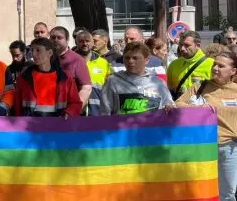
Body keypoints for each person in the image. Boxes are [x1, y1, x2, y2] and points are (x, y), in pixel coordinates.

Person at [175, 51, 237, 200]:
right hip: (202, 146)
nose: (215, 68)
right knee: (199, 189)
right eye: (214, 64)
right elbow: (178, 104)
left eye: (221, 66)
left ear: (233, 71)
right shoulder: (200, 86)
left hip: (230, 148)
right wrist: (198, 109)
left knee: (228, 192)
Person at [13, 38, 82, 117]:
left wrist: (69, 113)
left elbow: (75, 103)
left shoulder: (65, 77)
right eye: (32, 50)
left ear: (50, 53)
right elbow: (17, 106)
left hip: (57, 125)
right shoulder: (24, 76)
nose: (34, 54)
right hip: (30, 125)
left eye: (38, 50)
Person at [101, 42, 174, 115]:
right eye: (127, 58)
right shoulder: (113, 81)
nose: (130, 61)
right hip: (122, 125)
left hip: (152, 126)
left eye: (135, 58)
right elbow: (105, 112)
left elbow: (169, 107)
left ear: (146, 60)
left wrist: (170, 107)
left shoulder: (158, 83)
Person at [49, 26, 93, 107]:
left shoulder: (77, 60)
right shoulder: (47, 59)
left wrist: (75, 109)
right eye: (52, 37)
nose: (55, 40)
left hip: (69, 113)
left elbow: (86, 88)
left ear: (67, 39)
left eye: (59, 37)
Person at [75, 31, 112, 116]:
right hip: (75, 113)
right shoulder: (70, 62)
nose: (84, 43)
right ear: (76, 43)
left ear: (92, 43)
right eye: (81, 41)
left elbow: (110, 88)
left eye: (87, 41)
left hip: (97, 112)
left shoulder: (103, 63)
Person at [167, 31, 214, 99]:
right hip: (179, 107)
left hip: (202, 107)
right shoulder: (174, 64)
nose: (182, 48)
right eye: (180, 44)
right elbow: (169, 90)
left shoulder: (211, 64)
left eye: (187, 45)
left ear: (197, 46)